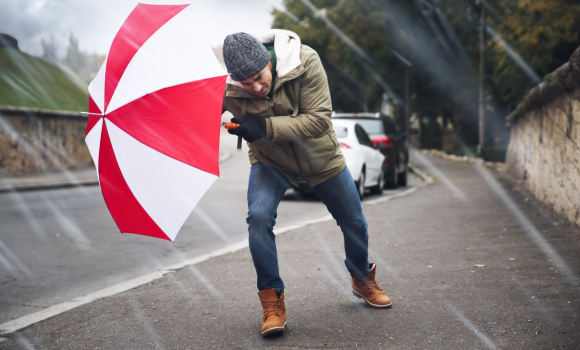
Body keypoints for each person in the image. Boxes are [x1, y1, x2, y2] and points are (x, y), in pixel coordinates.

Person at [221, 30, 391, 337]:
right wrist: (232, 124)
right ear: (236, 81)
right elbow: (215, 120)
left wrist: (262, 126)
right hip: (271, 162)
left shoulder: (305, 61)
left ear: (268, 60)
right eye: (247, 84)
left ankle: (361, 274)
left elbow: (318, 120)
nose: (257, 87)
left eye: (261, 77)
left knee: (354, 222)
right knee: (258, 218)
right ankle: (271, 300)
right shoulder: (228, 91)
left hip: (321, 158)